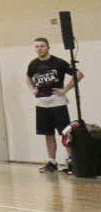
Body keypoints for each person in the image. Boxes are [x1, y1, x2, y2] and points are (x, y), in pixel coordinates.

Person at [27, 37, 83, 172]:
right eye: (37, 46)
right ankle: (52, 162)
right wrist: (32, 89)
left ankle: (71, 161)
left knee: (65, 133)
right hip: (41, 103)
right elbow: (28, 77)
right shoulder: (33, 64)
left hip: (57, 103)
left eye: (42, 46)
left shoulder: (58, 62)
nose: (39, 49)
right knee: (48, 133)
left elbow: (79, 74)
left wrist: (66, 89)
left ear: (48, 47)